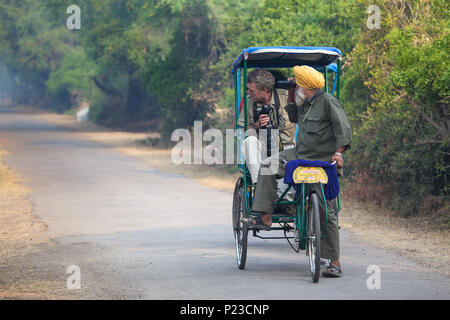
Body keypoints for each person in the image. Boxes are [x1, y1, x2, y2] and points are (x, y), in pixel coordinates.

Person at [243, 65, 352, 278]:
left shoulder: (328, 102)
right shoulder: (305, 102)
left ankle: (334, 261)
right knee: (267, 165)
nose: (295, 86)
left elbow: (344, 130)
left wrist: (339, 154)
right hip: (299, 154)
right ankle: (265, 215)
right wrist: (292, 96)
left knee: (325, 209)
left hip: (322, 161)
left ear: (307, 86)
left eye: (297, 84)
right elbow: (293, 118)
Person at [237, 69, 296, 185]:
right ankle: (259, 185)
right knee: (249, 142)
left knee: (287, 194)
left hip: (285, 148)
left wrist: (295, 87)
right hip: (261, 149)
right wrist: (257, 125)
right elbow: (245, 131)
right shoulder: (249, 102)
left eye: (251, 90)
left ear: (265, 90)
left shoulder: (286, 97)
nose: (248, 92)